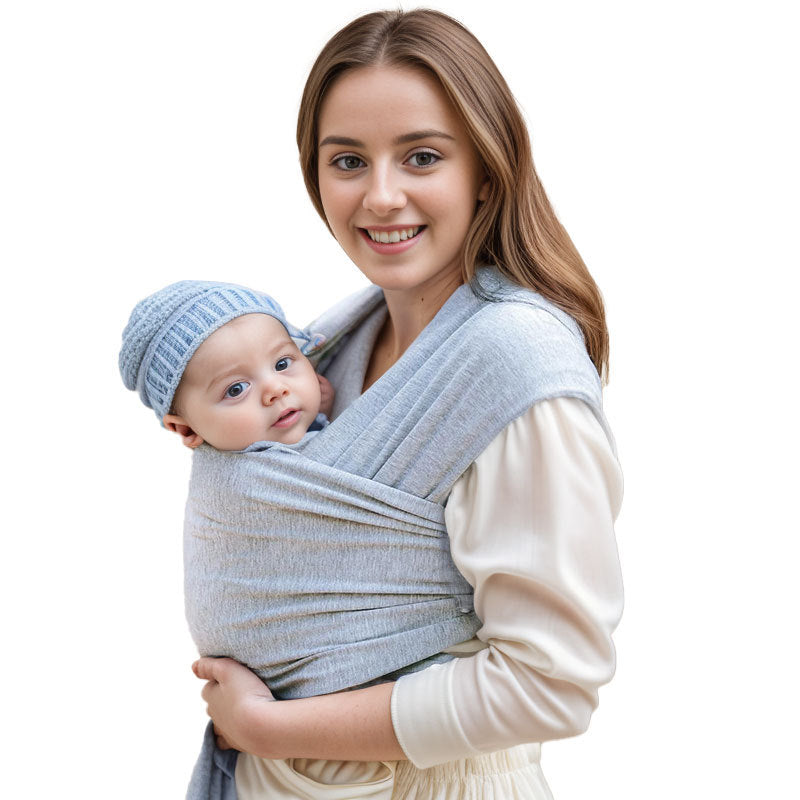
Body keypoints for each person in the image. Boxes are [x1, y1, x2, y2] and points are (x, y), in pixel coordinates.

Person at [190, 8, 624, 799]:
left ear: (486, 170)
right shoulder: (327, 349)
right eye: (347, 160)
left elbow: (551, 683)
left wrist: (267, 726)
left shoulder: (514, 364)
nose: (381, 196)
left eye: (421, 156)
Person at [118, 279, 333, 449]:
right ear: (187, 430)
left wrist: (322, 415)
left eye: (282, 364)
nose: (277, 389)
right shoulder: (236, 491)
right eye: (235, 389)